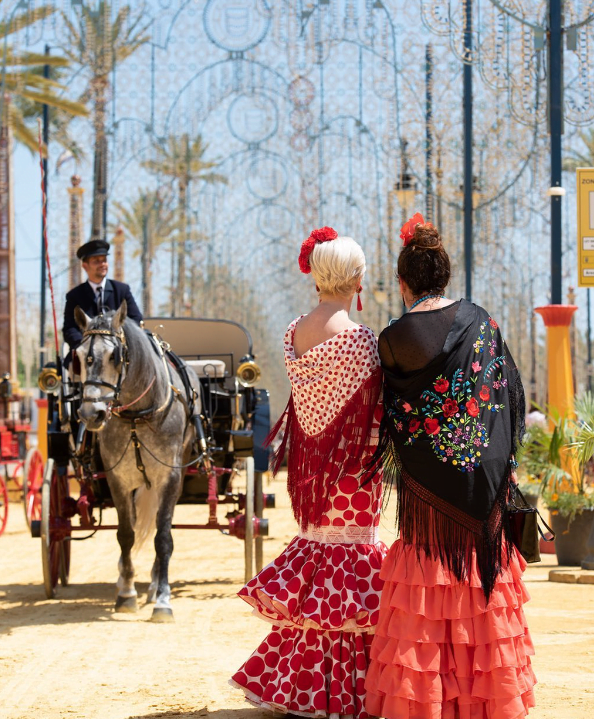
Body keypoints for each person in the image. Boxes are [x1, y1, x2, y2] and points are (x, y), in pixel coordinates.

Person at [365, 213, 536, 719]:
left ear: (403, 283)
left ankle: (426, 704)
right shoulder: (482, 321)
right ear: (444, 278)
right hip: (482, 488)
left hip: (427, 495)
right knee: (479, 592)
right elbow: (508, 395)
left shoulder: (395, 337)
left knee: (427, 594)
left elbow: (393, 411)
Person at [231, 227, 388, 718]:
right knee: (352, 567)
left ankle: (299, 686)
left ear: (317, 276)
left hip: (311, 471)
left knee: (319, 566)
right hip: (354, 471)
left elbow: (311, 405)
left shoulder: (293, 332)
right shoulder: (361, 340)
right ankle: (354, 691)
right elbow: (373, 409)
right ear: (356, 279)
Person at [62, 239, 143, 352]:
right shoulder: (74, 296)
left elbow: (135, 319)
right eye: (96, 261)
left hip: (119, 351)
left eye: (104, 260)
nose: (102, 264)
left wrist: (119, 341)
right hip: (86, 352)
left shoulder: (122, 290)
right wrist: (83, 346)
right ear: (85, 266)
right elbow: (69, 328)